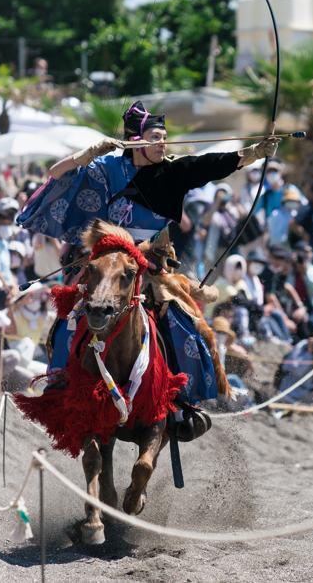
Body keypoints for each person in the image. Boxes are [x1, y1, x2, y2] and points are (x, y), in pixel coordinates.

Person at [18, 101, 279, 411]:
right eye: (155, 136)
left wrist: (254, 153)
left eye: (165, 137)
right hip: (105, 262)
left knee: (183, 323)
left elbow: (212, 164)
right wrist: (88, 154)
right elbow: (56, 173)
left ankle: (181, 400)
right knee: (70, 320)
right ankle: (61, 390)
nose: (163, 143)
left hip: (148, 265)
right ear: (135, 140)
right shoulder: (107, 169)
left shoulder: (173, 172)